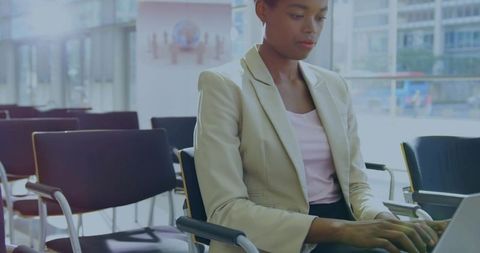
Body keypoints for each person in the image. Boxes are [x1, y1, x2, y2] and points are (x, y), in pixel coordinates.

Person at [194, 0, 448, 252]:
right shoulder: (224, 85)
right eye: (296, 15)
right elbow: (225, 210)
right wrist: (342, 230)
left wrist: (385, 221)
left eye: (320, 17)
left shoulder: (333, 85)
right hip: (277, 240)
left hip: (346, 227)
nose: (311, 28)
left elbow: (356, 186)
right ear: (262, 10)